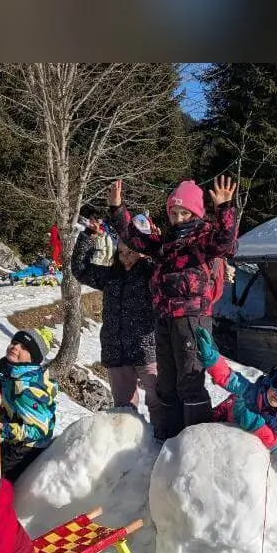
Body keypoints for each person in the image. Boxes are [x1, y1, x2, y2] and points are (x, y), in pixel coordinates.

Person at [107, 175, 239, 441]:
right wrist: (117, 209)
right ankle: (167, 439)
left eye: (184, 212)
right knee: (166, 384)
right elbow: (134, 239)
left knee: (189, 381)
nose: (178, 218)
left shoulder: (203, 239)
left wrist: (225, 209)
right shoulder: (166, 243)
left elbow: (227, 241)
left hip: (192, 318)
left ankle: (195, 441)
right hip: (165, 318)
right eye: (174, 212)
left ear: (196, 213)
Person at [71, 211, 161, 419]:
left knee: (160, 401)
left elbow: (168, 268)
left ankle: (163, 441)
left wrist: (157, 246)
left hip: (147, 349)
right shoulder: (112, 276)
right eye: (121, 253)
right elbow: (80, 269)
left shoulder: (153, 273)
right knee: (123, 410)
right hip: (116, 350)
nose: (126, 258)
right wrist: (88, 236)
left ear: (143, 252)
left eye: (131, 253)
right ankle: (131, 447)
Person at [195, 326, 277, 451]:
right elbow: (227, 377)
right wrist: (212, 359)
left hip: (273, 422)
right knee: (226, 406)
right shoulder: (250, 391)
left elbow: (276, 444)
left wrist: (257, 426)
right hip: (232, 414)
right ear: (269, 380)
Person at [0, 327, 58, 482]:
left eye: (24, 347)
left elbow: (38, 431)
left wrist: (4, 428)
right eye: (15, 342)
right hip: (16, 443)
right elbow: (8, 387)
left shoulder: (28, 388)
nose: (16, 347)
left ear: (33, 358)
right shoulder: (17, 376)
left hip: (27, 449)